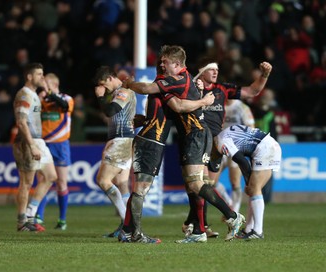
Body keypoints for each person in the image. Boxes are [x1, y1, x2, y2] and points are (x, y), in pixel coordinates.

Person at [122, 45, 245, 243]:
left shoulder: (175, 81)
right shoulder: (176, 81)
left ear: (178, 64)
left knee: (196, 183)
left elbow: (168, 101)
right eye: (160, 62)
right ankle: (198, 230)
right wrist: (146, 119)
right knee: (192, 185)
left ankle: (232, 216)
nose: (162, 65)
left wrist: (128, 83)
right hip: (190, 136)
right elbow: (169, 110)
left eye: (165, 62)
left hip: (196, 134)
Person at [119, 58, 215, 243]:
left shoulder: (162, 90)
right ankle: (136, 235)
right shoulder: (164, 88)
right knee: (141, 188)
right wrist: (202, 99)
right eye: (164, 64)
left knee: (139, 188)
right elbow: (179, 106)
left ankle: (127, 231)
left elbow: (161, 114)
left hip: (149, 139)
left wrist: (199, 91)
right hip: (151, 142)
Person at [182, 57, 273, 239]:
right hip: (196, 139)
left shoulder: (222, 89)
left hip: (217, 143)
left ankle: (198, 224)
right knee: (196, 185)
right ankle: (200, 225)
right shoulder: (189, 89)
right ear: (201, 71)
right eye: (211, 69)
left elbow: (252, 91)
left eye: (217, 69)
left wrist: (264, 75)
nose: (215, 72)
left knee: (205, 185)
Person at [214, 124, 282, 240]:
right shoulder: (224, 135)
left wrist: (247, 181)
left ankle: (258, 231)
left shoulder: (221, 142)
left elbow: (241, 161)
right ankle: (249, 229)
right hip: (268, 146)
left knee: (253, 189)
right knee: (253, 190)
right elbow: (242, 158)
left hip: (264, 149)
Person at [12, 63, 57, 232]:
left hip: (38, 141)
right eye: (39, 74)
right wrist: (31, 145)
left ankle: (30, 214)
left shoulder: (33, 94)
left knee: (51, 176)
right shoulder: (24, 95)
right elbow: (21, 122)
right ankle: (22, 221)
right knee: (26, 182)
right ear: (29, 77)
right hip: (26, 142)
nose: (42, 77)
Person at [93, 66, 135, 237]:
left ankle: (128, 225)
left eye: (104, 84)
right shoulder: (117, 93)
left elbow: (111, 111)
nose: (104, 88)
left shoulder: (123, 92)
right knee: (121, 183)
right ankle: (125, 224)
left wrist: (100, 97)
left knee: (103, 180)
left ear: (110, 78)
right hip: (122, 139)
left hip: (121, 140)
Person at [34, 73, 74, 230]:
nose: (43, 86)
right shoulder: (41, 100)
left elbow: (64, 106)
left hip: (60, 144)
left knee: (61, 182)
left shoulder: (67, 98)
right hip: (43, 144)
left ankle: (62, 219)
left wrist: (49, 93)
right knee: (42, 180)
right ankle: (39, 217)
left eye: (46, 83)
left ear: (55, 85)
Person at [217, 99, 255, 213]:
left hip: (235, 149)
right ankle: (228, 202)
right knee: (210, 182)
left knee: (235, 182)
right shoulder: (218, 104)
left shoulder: (242, 108)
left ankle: (235, 212)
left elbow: (251, 128)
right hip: (220, 147)